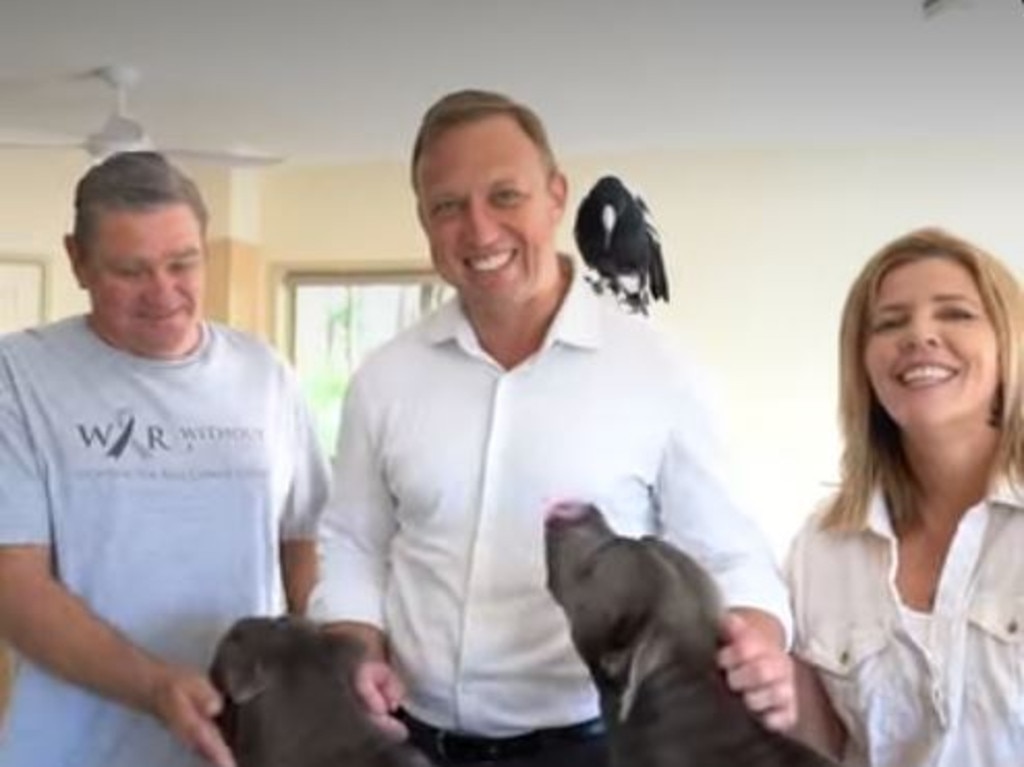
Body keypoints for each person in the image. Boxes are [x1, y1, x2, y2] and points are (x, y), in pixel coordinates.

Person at [307, 89, 795, 767]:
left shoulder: (661, 370)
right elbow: (355, 543)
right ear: (423, 218)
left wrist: (758, 643)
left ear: (556, 196)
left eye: (504, 196)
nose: (478, 232)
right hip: (410, 742)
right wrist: (357, 645)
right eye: (448, 206)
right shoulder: (385, 378)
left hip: (592, 747)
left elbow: (731, 557)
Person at [0, 151, 329, 767]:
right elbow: (12, 582)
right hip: (74, 749)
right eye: (131, 270)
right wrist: (155, 687)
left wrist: (330, 671)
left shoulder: (264, 373)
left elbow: (304, 540)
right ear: (77, 260)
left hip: (243, 746)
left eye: (183, 263)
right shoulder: (16, 377)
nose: (163, 293)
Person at [787, 227, 1024, 766]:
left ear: (1007, 343)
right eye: (890, 323)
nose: (920, 335)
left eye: (956, 313)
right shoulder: (818, 550)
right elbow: (821, 747)